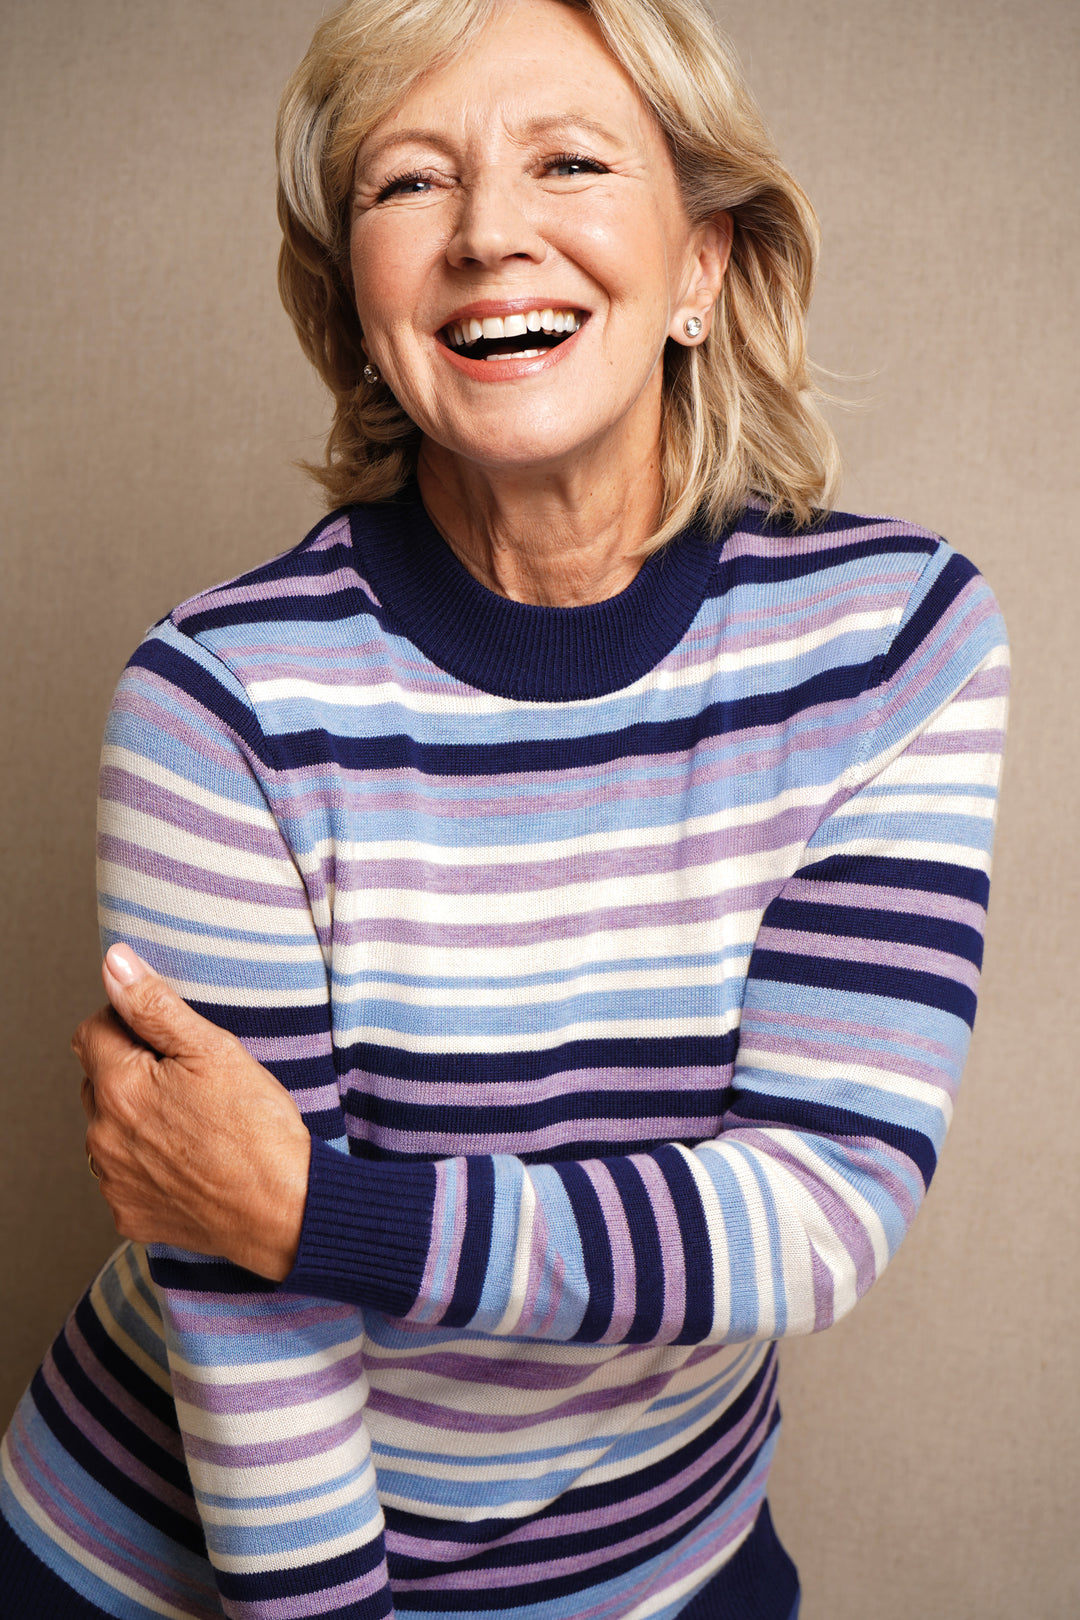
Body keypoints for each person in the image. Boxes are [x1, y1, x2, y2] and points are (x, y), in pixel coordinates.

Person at [0, 0, 1008, 1615]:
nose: (487, 236)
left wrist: (322, 1209)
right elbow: (244, 1298)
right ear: (352, 296)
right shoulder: (219, 700)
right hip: (188, 1561)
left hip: (663, 1562)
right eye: (409, 184)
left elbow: (818, 1209)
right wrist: (277, 1228)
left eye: (569, 161)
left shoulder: (892, 642)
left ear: (704, 263)